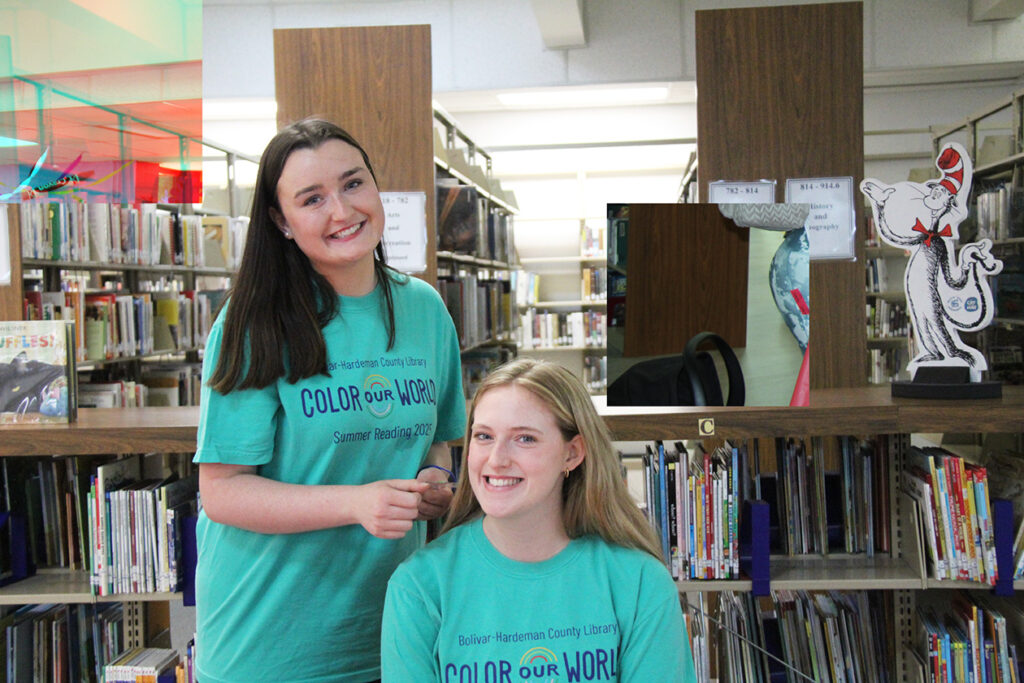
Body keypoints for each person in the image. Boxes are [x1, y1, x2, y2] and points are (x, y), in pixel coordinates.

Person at [193, 118, 466, 683]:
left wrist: (435, 480)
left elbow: (437, 440)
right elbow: (222, 492)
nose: (342, 211)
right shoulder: (253, 323)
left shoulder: (425, 310)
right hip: (270, 642)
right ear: (281, 221)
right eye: (312, 198)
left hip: (394, 629)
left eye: (353, 183)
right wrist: (355, 503)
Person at [381, 358, 698, 682]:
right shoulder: (418, 587)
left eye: (525, 438)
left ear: (572, 454)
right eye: (484, 436)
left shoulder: (640, 583)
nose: (496, 459)